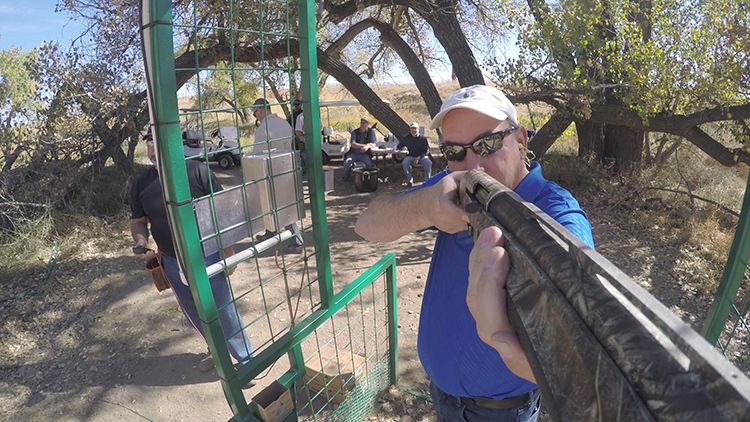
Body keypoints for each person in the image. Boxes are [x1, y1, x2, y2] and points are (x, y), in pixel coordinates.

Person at [354, 85, 595, 422]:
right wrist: (425, 207)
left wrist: (504, 344)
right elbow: (367, 224)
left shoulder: (552, 209)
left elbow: (575, 366)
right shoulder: (452, 186)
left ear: (521, 140)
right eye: (455, 151)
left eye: (488, 144)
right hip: (442, 396)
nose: (474, 163)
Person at [130, 128, 254, 374]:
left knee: (223, 309)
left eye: (158, 142)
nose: (153, 149)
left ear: (173, 144)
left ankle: (247, 360)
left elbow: (224, 213)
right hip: (171, 262)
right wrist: (142, 242)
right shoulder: (141, 184)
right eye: (149, 143)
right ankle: (218, 353)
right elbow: (138, 221)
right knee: (195, 313)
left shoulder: (197, 170)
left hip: (206, 255)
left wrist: (228, 254)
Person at [252, 98, 304, 251]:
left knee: (280, 207)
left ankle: (297, 240)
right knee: (276, 205)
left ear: (260, 110)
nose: (256, 117)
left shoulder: (263, 129)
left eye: (255, 114)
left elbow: (258, 155)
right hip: (288, 168)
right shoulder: (284, 123)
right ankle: (269, 234)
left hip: (271, 172)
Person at [341, 116, 376, 181]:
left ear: (368, 124)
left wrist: (367, 146)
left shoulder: (371, 132)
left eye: (364, 123)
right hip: (354, 153)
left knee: (370, 164)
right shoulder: (355, 132)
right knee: (346, 163)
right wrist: (364, 146)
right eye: (361, 122)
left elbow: (373, 144)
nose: (362, 124)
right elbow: (353, 144)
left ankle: (370, 178)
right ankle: (346, 177)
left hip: (365, 154)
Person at [397, 122, 432, 187]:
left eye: (415, 129)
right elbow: (399, 146)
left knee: (428, 162)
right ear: (410, 130)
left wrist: (419, 157)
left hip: (421, 156)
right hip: (410, 156)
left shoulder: (423, 138)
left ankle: (428, 180)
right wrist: (403, 148)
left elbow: (426, 150)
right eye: (412, 129)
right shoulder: (407, 138)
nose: (414, 130)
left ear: (418, 129)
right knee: (405, 162)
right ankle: (409, 181)